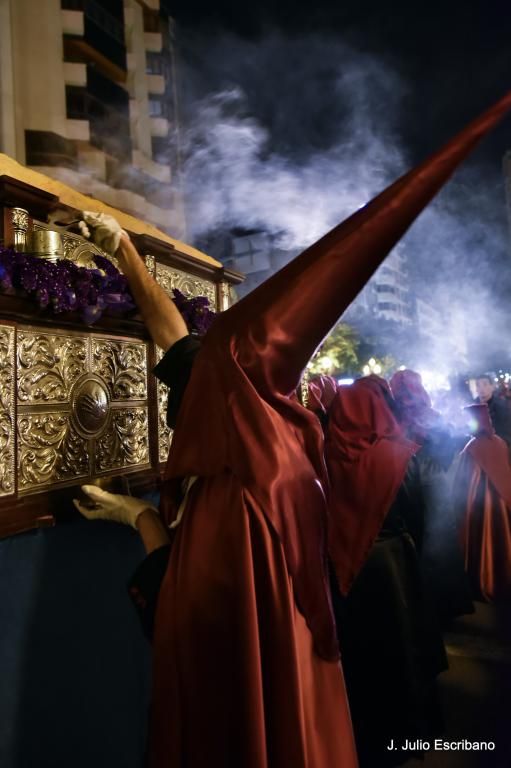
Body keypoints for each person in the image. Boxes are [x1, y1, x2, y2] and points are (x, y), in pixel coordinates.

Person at [76, 88, 511, 768]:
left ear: (224, 390)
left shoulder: (243, 492)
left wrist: (137, 517)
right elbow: (179, 343)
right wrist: (125, 251)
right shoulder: (270, 439)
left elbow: (189, 613)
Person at [325, 376, 447, 768]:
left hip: (348, 571)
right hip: (393, 566)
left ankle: (362, 738)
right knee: (400, 655)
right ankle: (406, 737)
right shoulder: (398, 457)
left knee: (362, 659)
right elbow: (419, 518)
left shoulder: (323, 455)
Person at [390, 369, 473, 625]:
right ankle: (445, 606)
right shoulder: (432, 416)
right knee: (440, 542)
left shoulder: (392, 417)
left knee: (417, 543)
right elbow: (451, 445)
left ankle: (419, 607)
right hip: (435, 485)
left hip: (407, 486)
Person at [453, 403, 511, 602]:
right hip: (502, 503)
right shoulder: (500, 442)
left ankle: (487, 581)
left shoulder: (472, 447)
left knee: (484, 540)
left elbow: (464, 481)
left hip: (479, 504)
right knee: (502, 540)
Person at [475, 373, 511, 447]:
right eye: (478, 385)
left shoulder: (501, 406)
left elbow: (506, 434)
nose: (481, 389)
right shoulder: (473, 405)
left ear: (492, 387)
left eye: (485, 384)